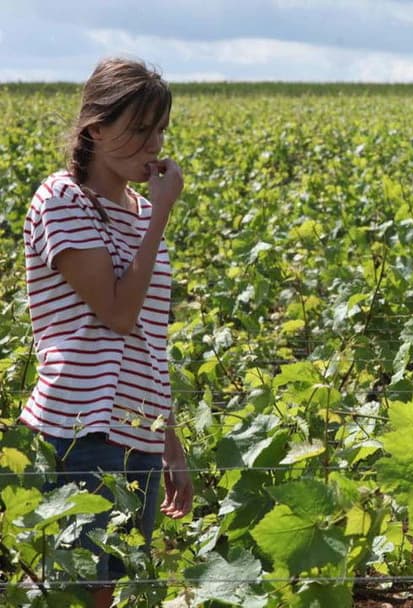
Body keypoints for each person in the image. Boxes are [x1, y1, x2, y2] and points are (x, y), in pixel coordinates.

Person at [21, 57, 193, 607]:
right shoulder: (62, 199)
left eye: (160, 128)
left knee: (107, 590)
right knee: (76, 594)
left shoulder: (141, 209)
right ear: (96, 128)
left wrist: (168, 441)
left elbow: (146, 339)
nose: (154, 143)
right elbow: (117, 313)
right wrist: (160, 218)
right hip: (79, 431)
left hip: (135, 432)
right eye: (140, 128)